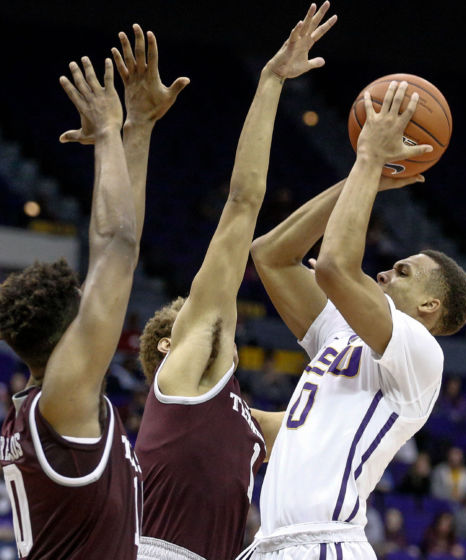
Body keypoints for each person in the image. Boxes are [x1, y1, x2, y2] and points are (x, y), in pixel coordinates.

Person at [134, 6, 336, 559]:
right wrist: (270, 81)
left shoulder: (243, 422)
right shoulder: (180, 383)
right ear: (169, 347)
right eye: (192, 311)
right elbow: (243, 202)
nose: (213, 312)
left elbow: (322, 425)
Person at [247, 77, 466, 555]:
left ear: (429, 306)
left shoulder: (419, 352)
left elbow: (332, 267)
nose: (386, 274)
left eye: (404, 272)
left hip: (325, 543)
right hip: (273, 543)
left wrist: (369, 160)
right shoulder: (340, 330)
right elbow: (270, 255)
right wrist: (361, 177)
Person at [0, 26, 186, 558]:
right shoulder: (64, 401)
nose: (101, 300)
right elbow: (117, 246)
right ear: (68, 336)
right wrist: (107, 136)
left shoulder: (45, 405)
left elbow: (125, 244)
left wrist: (138, 128)